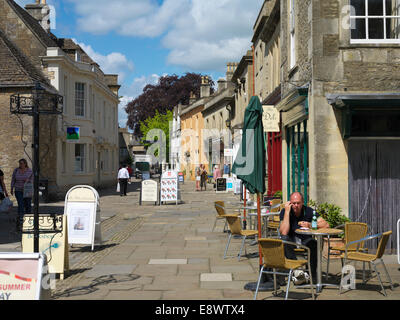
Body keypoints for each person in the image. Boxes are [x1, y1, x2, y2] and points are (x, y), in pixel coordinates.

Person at [279, 192, 329, 283]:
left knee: (314, 244)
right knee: (284, 240)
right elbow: (284, 232)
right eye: (293, 203)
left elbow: (326, 224)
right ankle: (297, 270)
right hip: (291, 241)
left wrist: (310, 224)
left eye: (298, 203)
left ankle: (312, 274)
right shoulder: (285, 211)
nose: (296, 205)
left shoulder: (308, 211)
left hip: (305, 240)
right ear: (290, 203)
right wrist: (286, 212)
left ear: (302, 202)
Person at [10, 159, 33, 227]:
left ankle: (28, 218)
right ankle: (20, 219)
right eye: (20, 163)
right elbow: (13, 179)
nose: (21, 165)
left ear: (25, 164)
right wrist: (11, 188)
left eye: (22, 163)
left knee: (28, 205)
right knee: (20, 204)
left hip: (27, 190)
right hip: (18, 190)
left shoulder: (30, 171)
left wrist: (28, 180)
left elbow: (33, 180)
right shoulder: (16, 170)